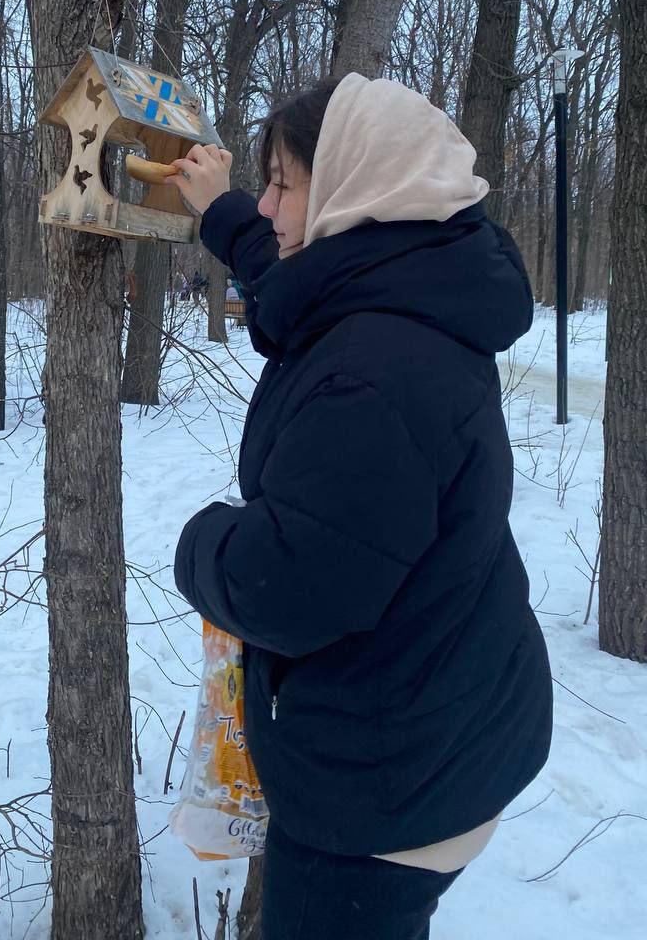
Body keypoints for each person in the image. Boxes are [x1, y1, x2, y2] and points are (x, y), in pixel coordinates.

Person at [164, 74, 553, 940]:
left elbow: (286, 588)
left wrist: (201, 541)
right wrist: (222, 211)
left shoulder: (374, 373)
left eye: (286, 184)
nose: (267, 206)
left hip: (389, 786)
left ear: (354, 188)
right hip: (448, 713)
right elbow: (298, 290)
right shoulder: (414, 277)